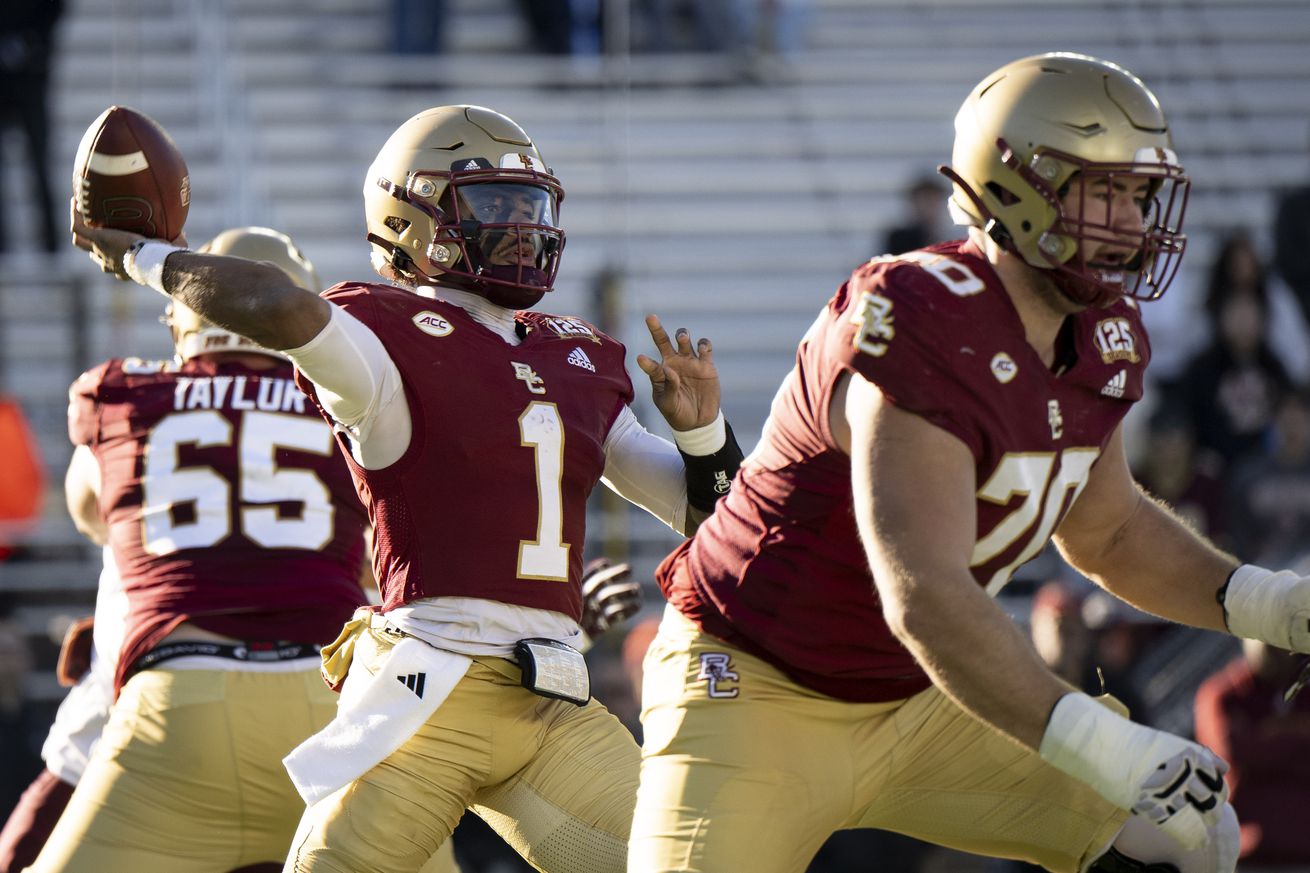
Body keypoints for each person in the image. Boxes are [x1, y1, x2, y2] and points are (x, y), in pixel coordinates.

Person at [621, 52, 1310, 873]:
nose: (1130, 224)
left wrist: (1275, 606)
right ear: (1022, 186)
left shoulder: (1101, 330)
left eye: (1137, 195)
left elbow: (1113, 530)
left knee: (1186, 835)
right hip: (755, 680)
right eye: (1104, 192)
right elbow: (925, 592)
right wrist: (1112, 745)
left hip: (922, 694)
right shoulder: (916, 313)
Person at [71, 105, 743, 873]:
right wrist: (147, 257)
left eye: (532, 207)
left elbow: (709, 517)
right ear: (411, 215)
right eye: (495, 207)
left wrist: (702, 433)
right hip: (429, 692)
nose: (522, 228)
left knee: (691, 862)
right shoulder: (381, 334)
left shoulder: (579, 356)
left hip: (555, 704)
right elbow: (282, 305)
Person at [26, 227, 382, 873]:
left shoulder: (126, 394)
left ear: (183, 317)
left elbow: (89, 511)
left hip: (177, 703)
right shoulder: (351, 408)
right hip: (333, 709)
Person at [1195, 639, 1310, 870]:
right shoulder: (1224, 693)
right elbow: (1234, 754)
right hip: (1249, 856)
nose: (1274, 647)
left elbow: (1254, 751)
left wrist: (1267, 735)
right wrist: (1298, 733)